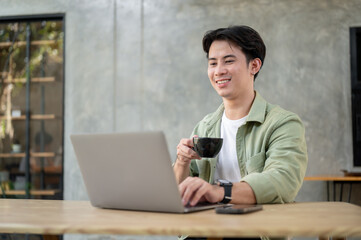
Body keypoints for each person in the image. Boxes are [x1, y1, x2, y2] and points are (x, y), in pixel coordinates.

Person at [173, 25, 308, 207]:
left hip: (256, 230)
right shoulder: (204, 126)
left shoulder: (283, 124)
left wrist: (219, 192)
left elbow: (282, 181)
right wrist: (182, 162)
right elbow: (176, 195)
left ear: (254, 65)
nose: (218, 71)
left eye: (228, 61)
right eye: (213, 63)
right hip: (206, 228)